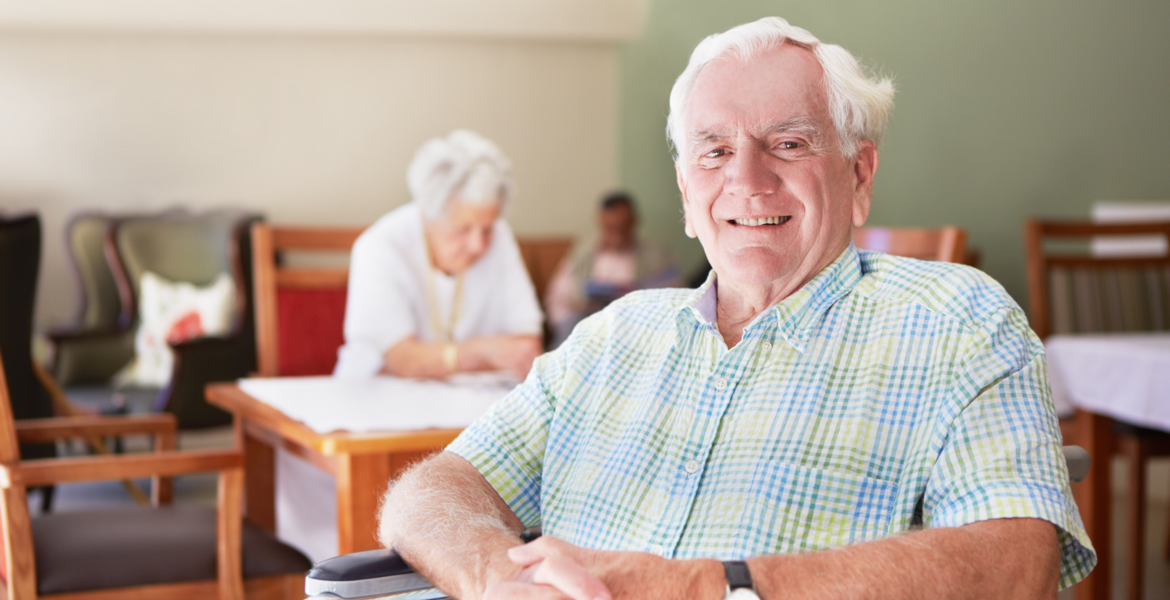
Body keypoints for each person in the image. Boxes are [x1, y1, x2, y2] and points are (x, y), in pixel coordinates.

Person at [378, 17, 1094, 600]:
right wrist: (494, 576)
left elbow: (1015, 562)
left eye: (788, 143)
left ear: (859, 172)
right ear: (688, 192)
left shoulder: (959, 322)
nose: (747, 180)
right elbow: (437, 487)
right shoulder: (612, 337)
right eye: (714, 151)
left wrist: (706, 586)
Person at [334, 129, 543, 381]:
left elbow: (526, 343)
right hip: (376, 398)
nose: (478, 244)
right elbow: (402, 360)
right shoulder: (380, 247)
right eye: (462, 229)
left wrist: (440, 360)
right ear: (427, 216)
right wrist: (484, 351)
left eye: (487, 228)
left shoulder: (501, 236)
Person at [544, 191, 681, 347]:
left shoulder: (658, 256)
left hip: (638, 334)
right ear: (599, 222)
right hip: (588, 334)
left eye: (623, 228)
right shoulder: (581, 256)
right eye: (610, 228)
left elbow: (676, 300)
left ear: (635, 221)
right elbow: (557, 301)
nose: (617, 236)